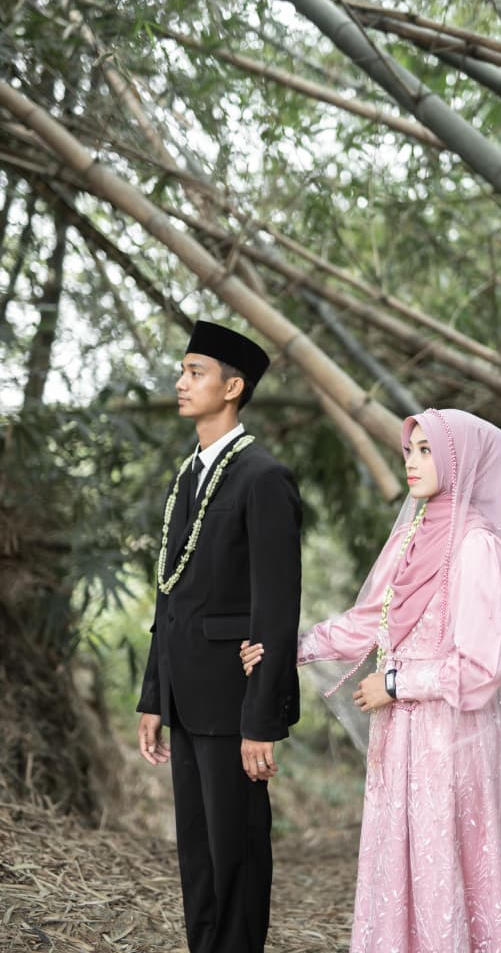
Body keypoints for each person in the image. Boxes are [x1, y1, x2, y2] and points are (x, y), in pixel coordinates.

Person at [242, 407, 501, 952]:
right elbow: (367, 622)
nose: (411, 462)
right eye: (409, 450)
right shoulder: (412, 537)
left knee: (442, 869)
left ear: (461, 462)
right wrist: (287, 649)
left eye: (426, 450)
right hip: (399, 741)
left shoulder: (478, 547)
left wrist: (394, 684)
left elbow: (481, 669)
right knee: (399, 868)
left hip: (452, 743)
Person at [137, 319, 302, 953]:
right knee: (199, 859)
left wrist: (262, 719)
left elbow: (276, 607)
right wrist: (154, 696)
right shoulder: (187, 476)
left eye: (195, 372)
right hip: (185, 697)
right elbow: (170, 594)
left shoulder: (263, 477)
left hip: (235, 702)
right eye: (182, 371)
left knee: (237, 856)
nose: (181, 383)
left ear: (232, 387)